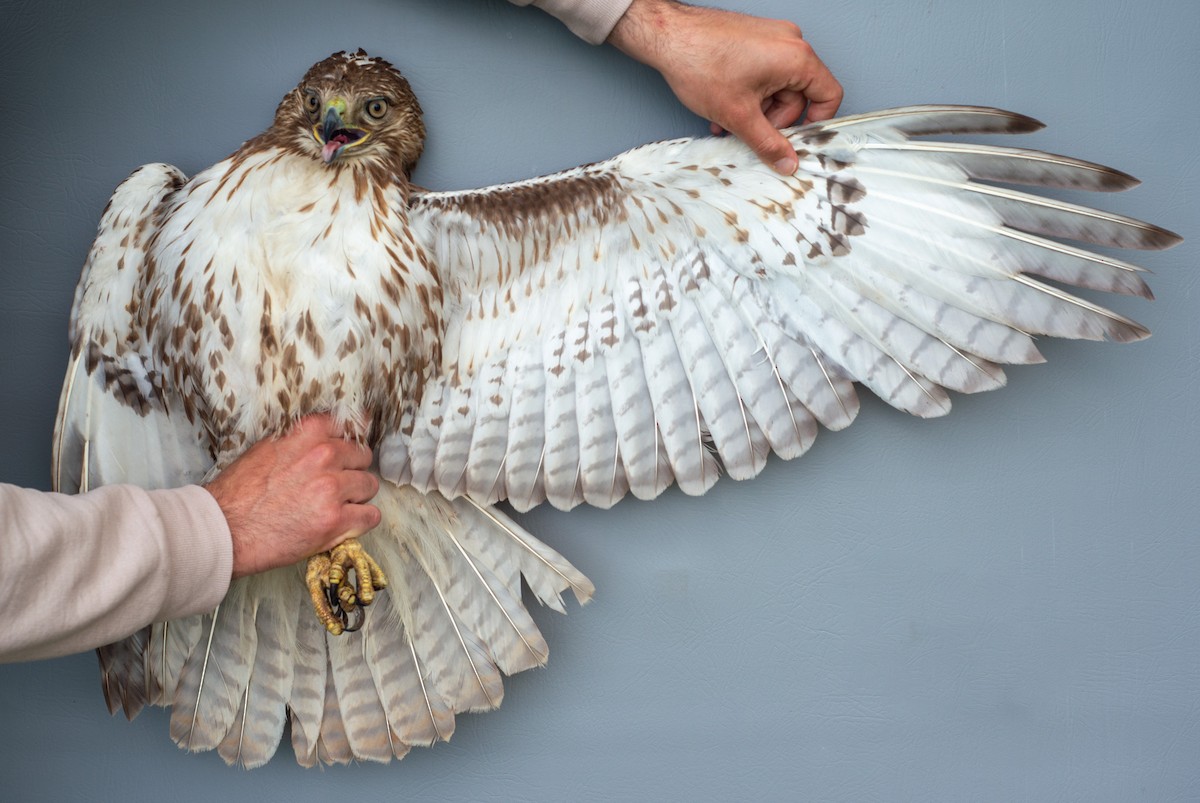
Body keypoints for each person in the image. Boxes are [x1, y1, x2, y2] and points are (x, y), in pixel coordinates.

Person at [0, 0, 842, 663]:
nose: (334, 125)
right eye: (321, 107)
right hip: (203, 508)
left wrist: (649, 21)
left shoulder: (425, 242)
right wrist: (213, 527)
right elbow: (116, 402)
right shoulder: (164, 212)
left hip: (367, 493)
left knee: (704, 187)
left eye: (362, 112)